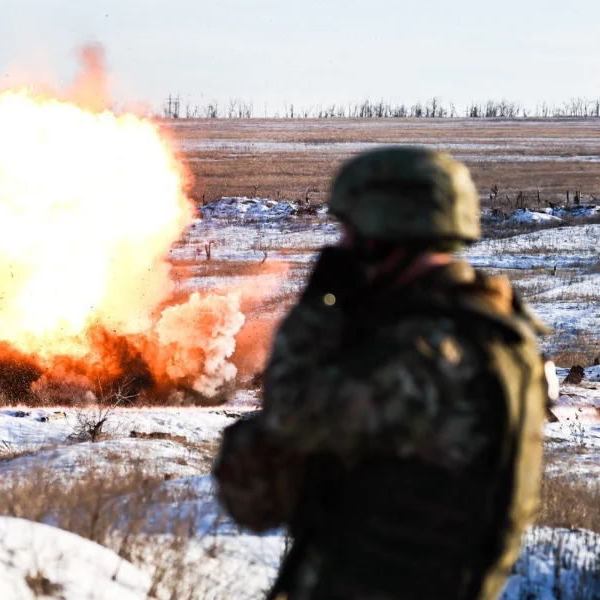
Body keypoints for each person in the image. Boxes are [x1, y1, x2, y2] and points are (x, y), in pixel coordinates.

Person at [213, 147, 555, 600]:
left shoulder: (423, 356)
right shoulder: (492, 331)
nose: (343, 247)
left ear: (384, 235)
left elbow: (288, 413)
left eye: (350, 233)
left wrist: (317, 310)